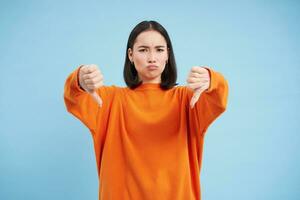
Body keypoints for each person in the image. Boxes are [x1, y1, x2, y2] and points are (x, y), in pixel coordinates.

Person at [63, 20, 229, 200]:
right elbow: (74, 97)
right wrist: (80, 78)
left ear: (167, 55)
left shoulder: (188, 99)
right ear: (130, 55)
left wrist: (211, 79)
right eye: (143, 50)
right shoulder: (108, 100)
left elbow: (218, 99)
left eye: (159, 49)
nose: (152, 57)